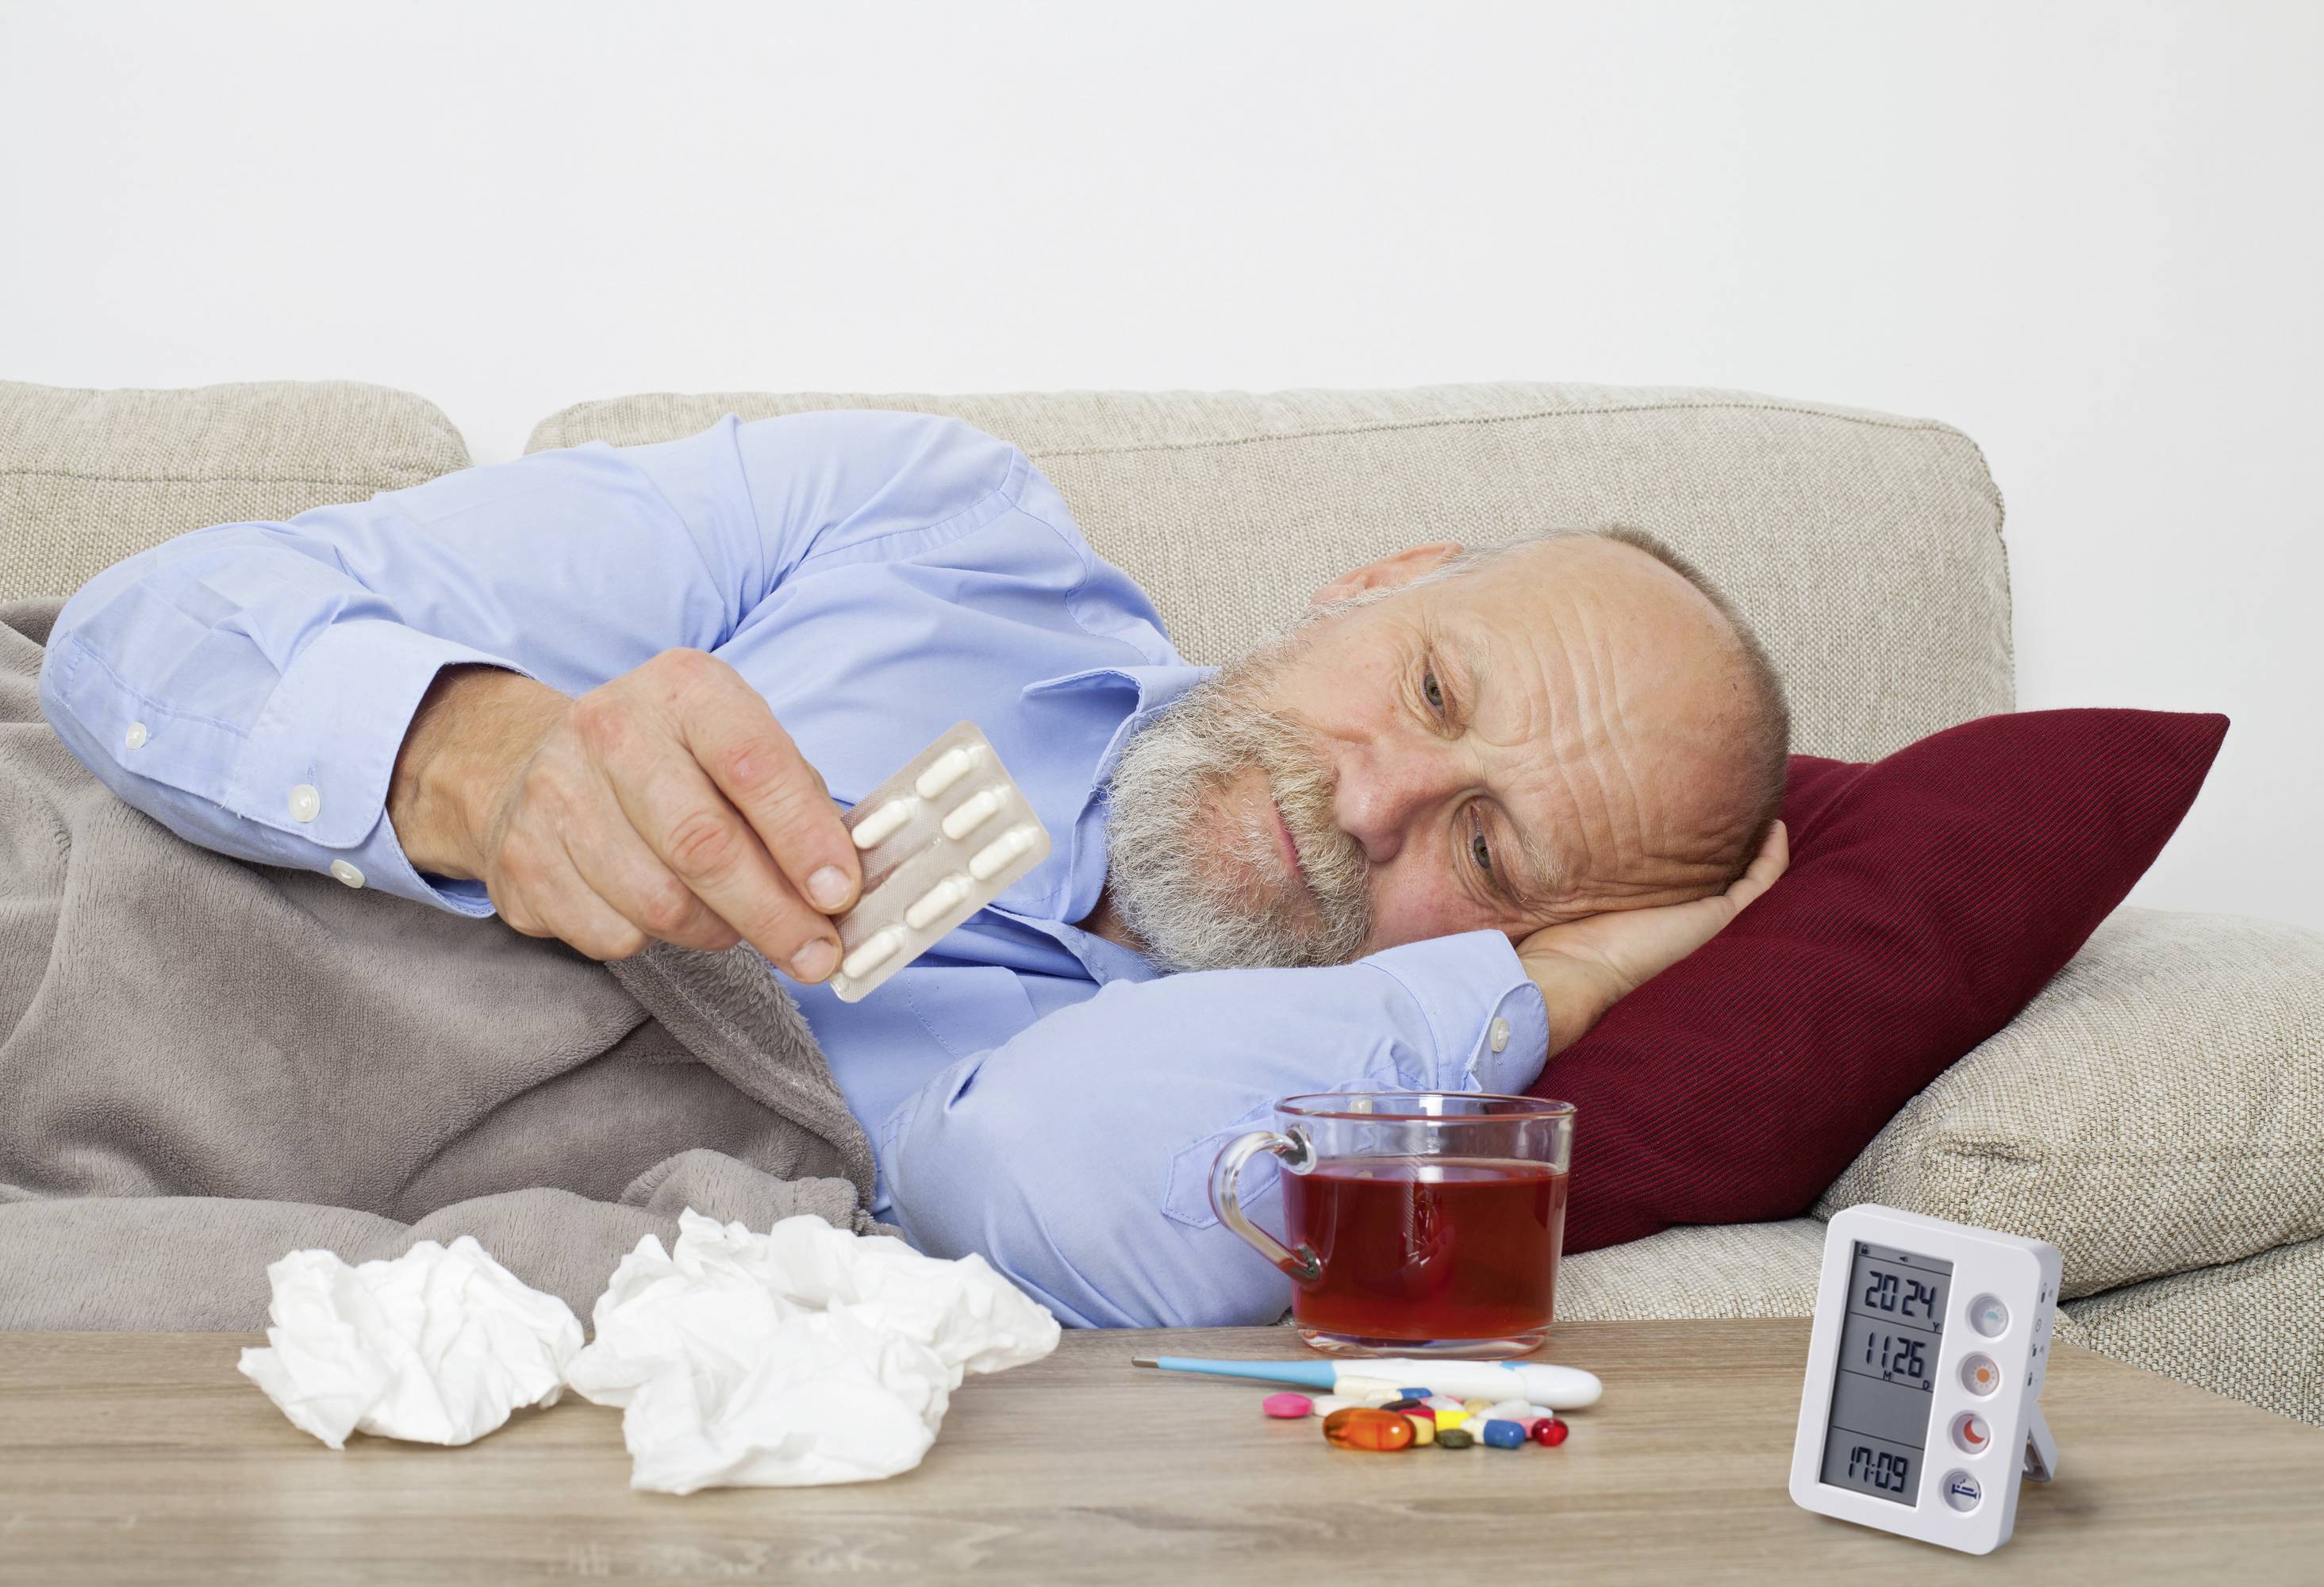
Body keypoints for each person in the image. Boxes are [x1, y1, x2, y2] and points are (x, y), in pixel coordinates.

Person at [40, 409, 1790, 1328]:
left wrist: (1542, 989)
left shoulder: (1190, 1115)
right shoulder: (924, 523)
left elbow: (1041, 1169)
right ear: (1372, 578)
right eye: (1430, 688)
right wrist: (472, 755)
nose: (1373, 797)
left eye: (1489, 851)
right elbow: (154, 626)